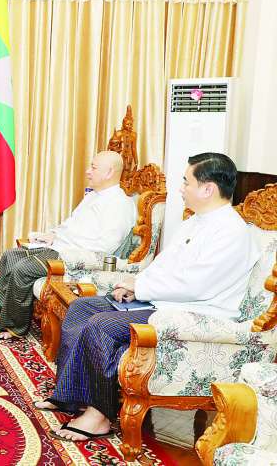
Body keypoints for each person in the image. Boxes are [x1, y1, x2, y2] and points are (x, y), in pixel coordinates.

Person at [39, 152, 260, 442]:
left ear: (208, 189)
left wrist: (142, 288)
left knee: (101, 325)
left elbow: (196, 286)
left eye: (186, 182)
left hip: (192, 313)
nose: (181, 188)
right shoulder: (196, 222)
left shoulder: (230, 232)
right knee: (82, 307)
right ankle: (71, 395)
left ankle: (99, 416)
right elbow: (164, 266)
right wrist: (135, 284)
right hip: (163, 300)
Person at [0, 150, 137, 340]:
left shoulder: (120, 204)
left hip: (75, 256)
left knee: (24, 268)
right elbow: (71, 224)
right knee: (9, 256)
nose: (88, 171)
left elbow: (107, 245)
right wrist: (53, 235)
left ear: (109, 172)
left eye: (93, 167)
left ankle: (12, 328)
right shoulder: (93, 195)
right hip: (59, 246)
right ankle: (2, 316)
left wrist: (67, 244)